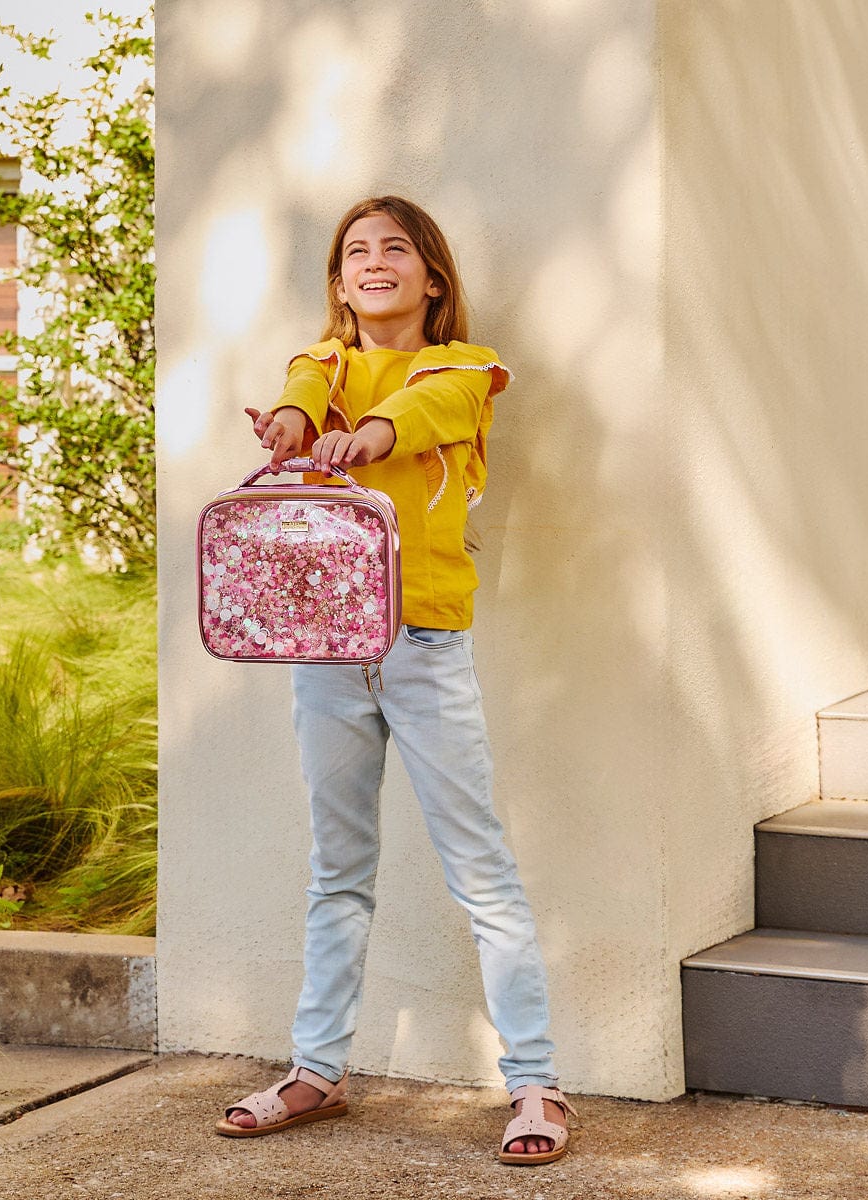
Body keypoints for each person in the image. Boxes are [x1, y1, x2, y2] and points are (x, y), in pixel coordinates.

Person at [215, 196, 572, 1166]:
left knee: (481, 871)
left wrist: (365, 437)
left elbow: (422, 411)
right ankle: (316, 1070)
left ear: (432, 278)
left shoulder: (465, 366)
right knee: (338, 872)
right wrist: (291, 426)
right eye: (355, 253)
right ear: (338, 284)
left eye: (395, 249)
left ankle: (536, 1083)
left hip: (422, 646)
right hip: (326, 650)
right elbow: (298, 388)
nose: (373, 262)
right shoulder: (320, 366)